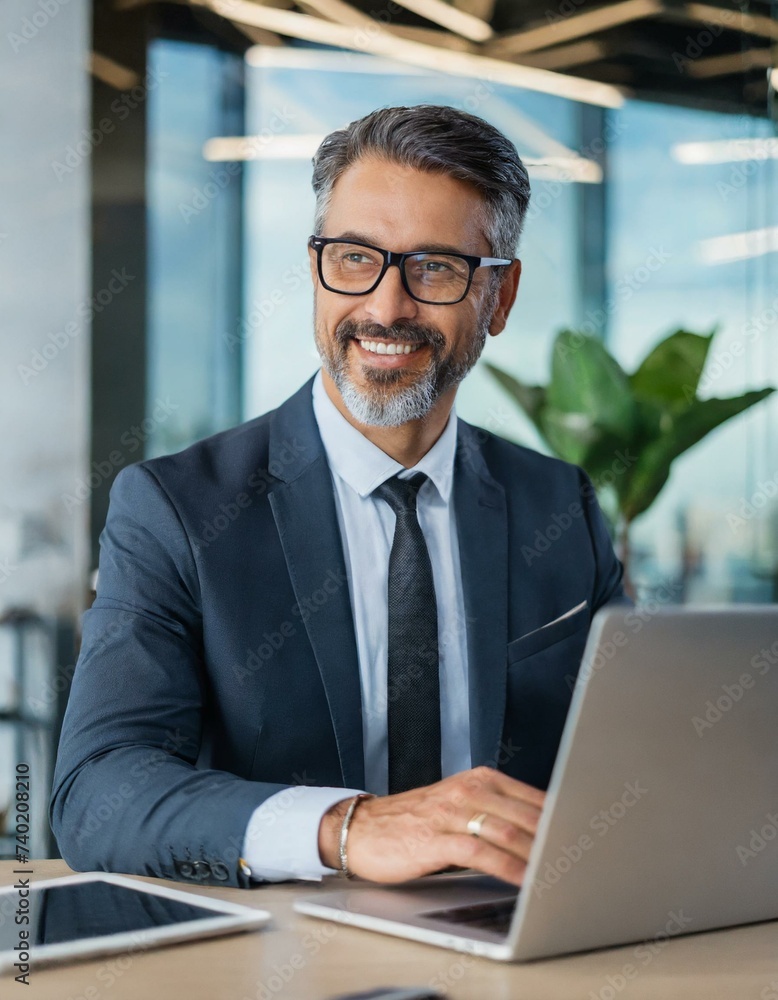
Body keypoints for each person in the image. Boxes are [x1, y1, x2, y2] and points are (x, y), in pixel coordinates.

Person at [51, 105, 625, 890]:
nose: (385, 308)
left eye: (434, 268)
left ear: (499, 295)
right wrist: (347, 829)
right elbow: (97, 794)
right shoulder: (176, 510)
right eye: (356, 258)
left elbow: (636, 759)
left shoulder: (561, 507)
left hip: (512, 941)